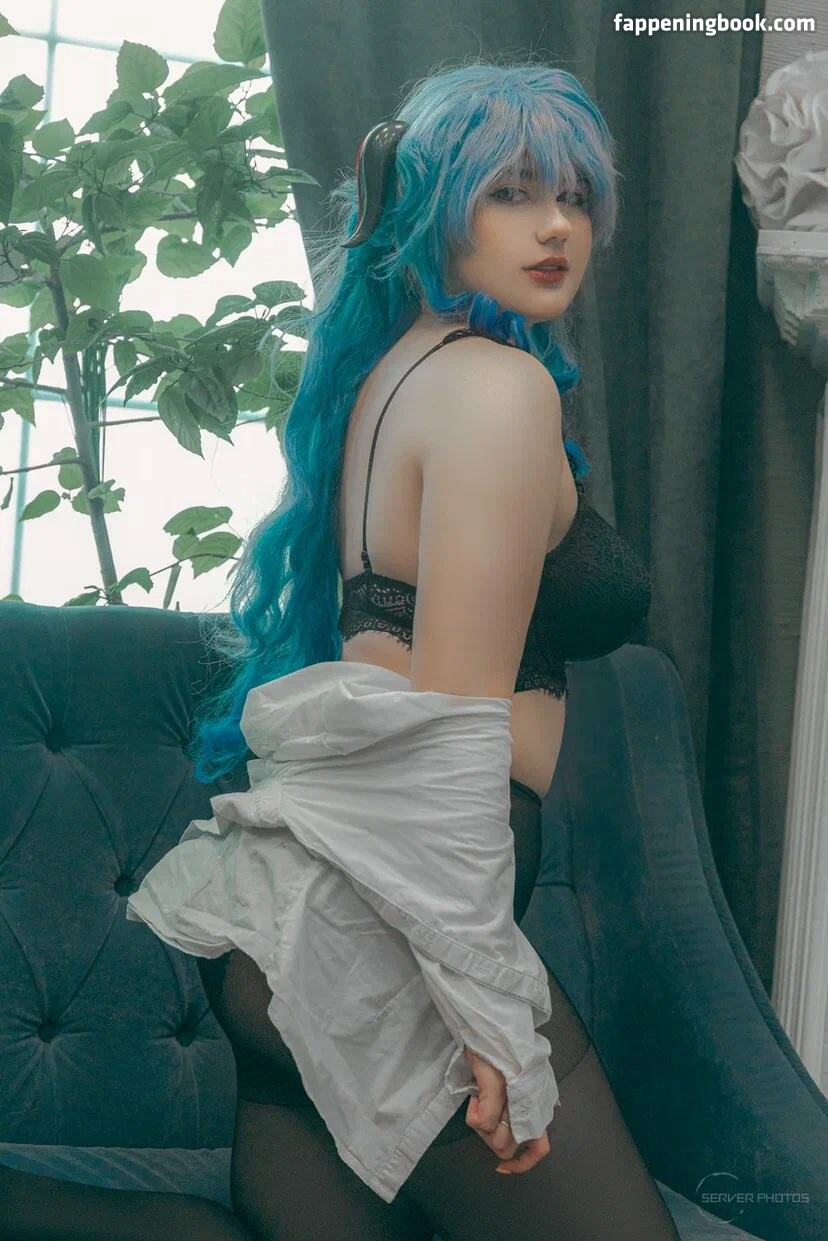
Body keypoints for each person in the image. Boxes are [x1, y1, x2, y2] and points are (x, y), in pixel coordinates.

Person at [0, 59, 679, 1240]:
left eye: (575, 194)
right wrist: (489, 1023)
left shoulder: (391, 375)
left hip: (302, 918)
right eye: (512, 190)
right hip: (383, 927)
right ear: (431, 207)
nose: (557, 225)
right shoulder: (497, 388)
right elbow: (444, 741)